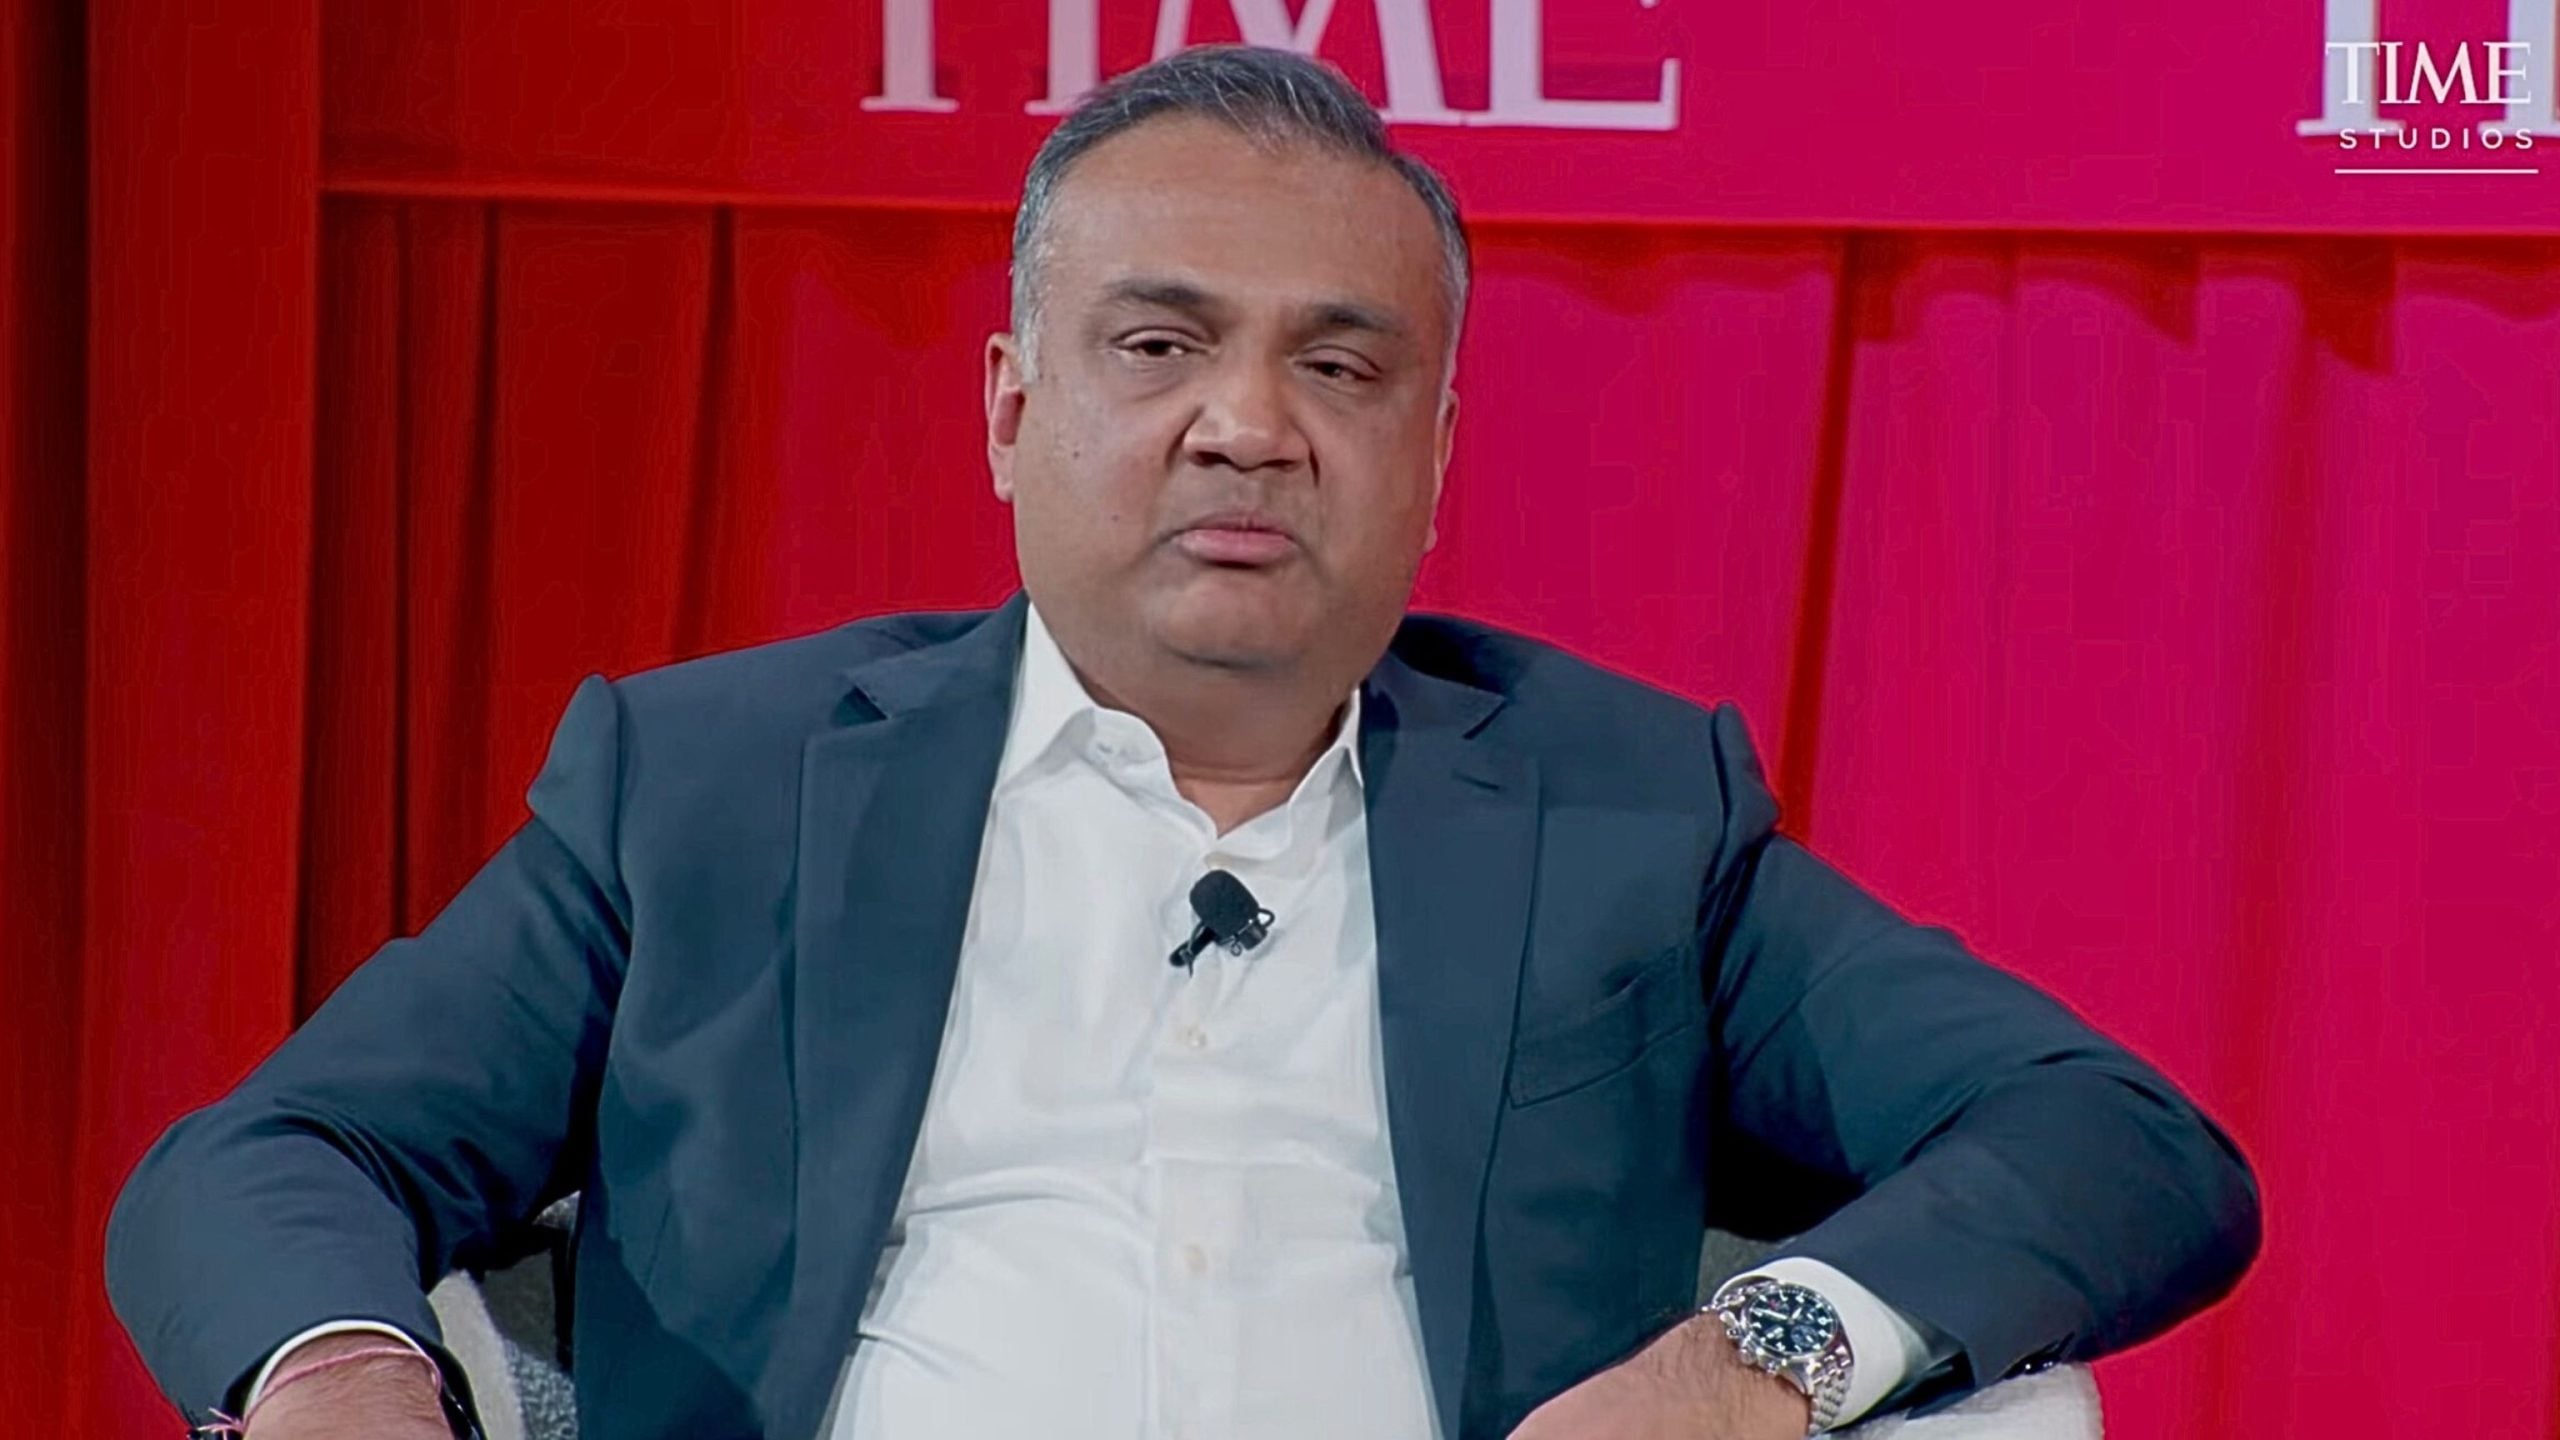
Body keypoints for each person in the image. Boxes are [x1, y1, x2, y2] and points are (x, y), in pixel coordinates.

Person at [106, 44, 2259, 1440]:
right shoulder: (711, 788)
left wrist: (1742, 1368)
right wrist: (344, 1382)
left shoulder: (1620, 813)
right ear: (1009, 408)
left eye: (1340, 366)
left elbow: (2114, 1143)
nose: (1246, 422)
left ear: (1429, 456)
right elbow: (275, 1159)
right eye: (1159, 344)